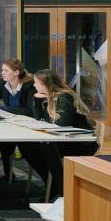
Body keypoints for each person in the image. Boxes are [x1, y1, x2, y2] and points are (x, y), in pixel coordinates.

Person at [18, 69, 98, 198]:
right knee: (26, 146)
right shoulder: (49, 97)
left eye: (36, 83)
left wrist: (45, 121)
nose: (34, 85)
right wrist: (37, 102)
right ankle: (55, 185)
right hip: (63, 139)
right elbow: (41, 121)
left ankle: (63, 191)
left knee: (46, 146)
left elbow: (62, 126)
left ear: (46, 85)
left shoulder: (65, 97)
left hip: (80, 143)